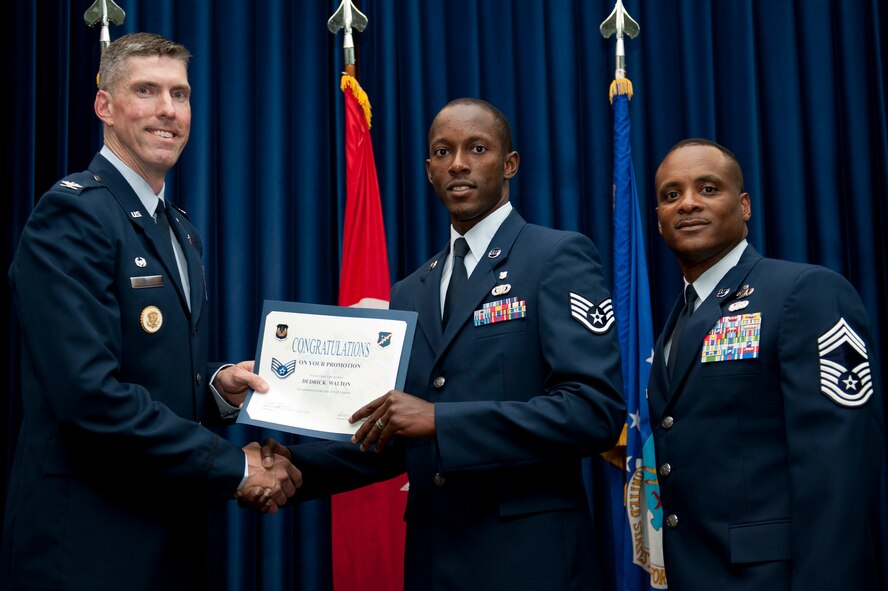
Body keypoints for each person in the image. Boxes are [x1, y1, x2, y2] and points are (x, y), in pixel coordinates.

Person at [252, 98, 625, 590]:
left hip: (532, 561)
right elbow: (394, 438)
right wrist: (296, 467)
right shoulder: (410, 290)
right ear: (429, 170)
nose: (459, 164)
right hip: (435, 560)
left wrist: (440, 420)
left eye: (477, 148)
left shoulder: (555, 256)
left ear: (510, 163)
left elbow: (594, 412)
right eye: (443, 152)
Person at [1, 32, 300, 591]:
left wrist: (217, 387)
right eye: (146, 90)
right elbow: (89, 394)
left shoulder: (180, 228)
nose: (168, 110)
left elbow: (153, 371)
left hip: (171, 538)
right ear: (105, 106)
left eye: (180, 94)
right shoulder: (72, 215)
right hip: (89, 543)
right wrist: (236, 467)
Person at [647, 138, 883, 589]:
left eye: (708, 188)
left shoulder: (805, 293)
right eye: (671, 195)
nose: (688, 204)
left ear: (745, 206)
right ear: (658, 222)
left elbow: (838, 472)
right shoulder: (677, 321)